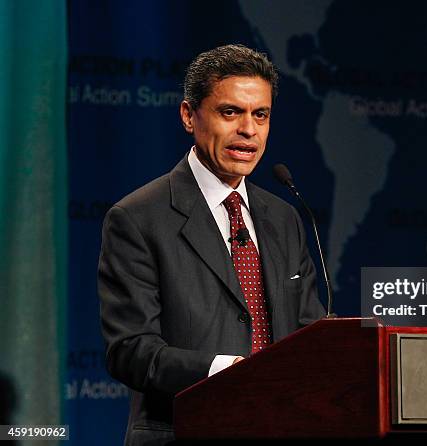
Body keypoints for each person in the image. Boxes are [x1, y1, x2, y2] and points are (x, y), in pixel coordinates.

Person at [98, 44, 325, 446]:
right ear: (189, 115)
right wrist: (228, 370)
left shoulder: (284, 218)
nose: (249, 131)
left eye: (261, 115)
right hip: (184, 432)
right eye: (230, 112)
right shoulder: (138, 217)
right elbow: (130, 350)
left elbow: (308, 334)